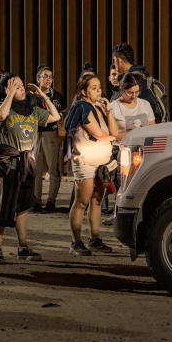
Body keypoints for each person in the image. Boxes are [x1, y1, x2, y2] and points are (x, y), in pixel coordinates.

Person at [0, 73, 60, 264]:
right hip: (7, 163)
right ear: (6, 89)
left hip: (26, 162)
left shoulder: (33, 108)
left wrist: (43, 96)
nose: (21, 89)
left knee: (22, 206)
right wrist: (10, 95)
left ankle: (23, 246)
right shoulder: (1, 106)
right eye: (15, 86)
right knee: (3, 205)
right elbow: (0, 116)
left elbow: (55, 116)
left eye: (21, 86)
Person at [66, 74, 119, 256]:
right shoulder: (83, 108)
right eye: (94, 88)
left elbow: (113, 130)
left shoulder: (98, 108)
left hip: (101, 163)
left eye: (99, 87)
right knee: (82, 202)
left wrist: (109, 112)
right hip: (86, 162)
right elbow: (101, 134)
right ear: (84, 91)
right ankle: (76, 241)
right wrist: (116, 138)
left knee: (97, 200)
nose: (99, 91)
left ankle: (95, 238)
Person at [32, 66, 66, 213]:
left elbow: (63, 113)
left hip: (51, 134)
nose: (48, 80)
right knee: (36, 171)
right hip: (35, 135)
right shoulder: (31, 96)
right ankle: (36, 201)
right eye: (45, 76)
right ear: (38, 79)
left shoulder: (57, 96)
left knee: (53, 169)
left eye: (50, 77)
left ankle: (51, 201)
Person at [111, 43, 164, 123]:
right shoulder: (143, 75)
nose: (114, 64)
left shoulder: (130, 80)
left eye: (114, 61)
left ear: (119, 61)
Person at [111, 73, 157, 139]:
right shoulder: (114, 107)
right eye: (130, 92)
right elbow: (113, 136)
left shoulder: (145, 104)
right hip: (123, 146)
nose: (134, 96)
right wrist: (138, 134)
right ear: (121, 89)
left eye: (137, 92)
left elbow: (153, 130)